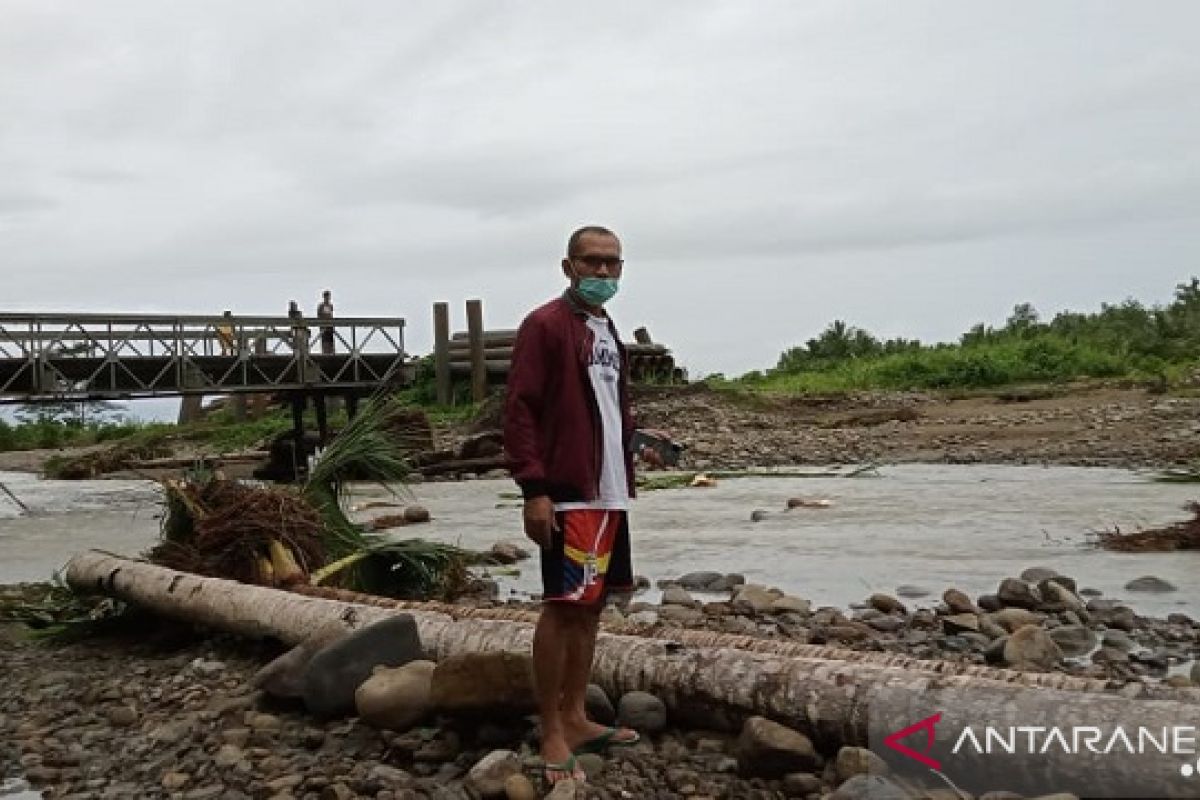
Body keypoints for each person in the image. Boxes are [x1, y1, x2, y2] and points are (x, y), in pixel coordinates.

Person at [505, 225, 641, 786]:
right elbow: (520, 409)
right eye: (593, 263)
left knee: (593, 605)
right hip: (569, 494)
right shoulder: (545, 326)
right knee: (562, 607)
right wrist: (535, 489)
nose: (604, 273)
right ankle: (550, 728)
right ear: (568, 267)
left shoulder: (607, 330)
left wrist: (632, 455)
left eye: (613, 264)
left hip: (608, 492)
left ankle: (578, 715)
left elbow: (611, 408)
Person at [317, 290, 335, 355]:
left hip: (330, 326)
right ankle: (325, 353)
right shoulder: (321, 306)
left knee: (331, 341)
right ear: (324, 297)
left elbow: (331, 315)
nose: (327, 298)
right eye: (326, 296)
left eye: (328, 296)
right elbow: (319, 316)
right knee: (325, 341)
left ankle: (332, 353)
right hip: (324, 326)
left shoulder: (330, 306)